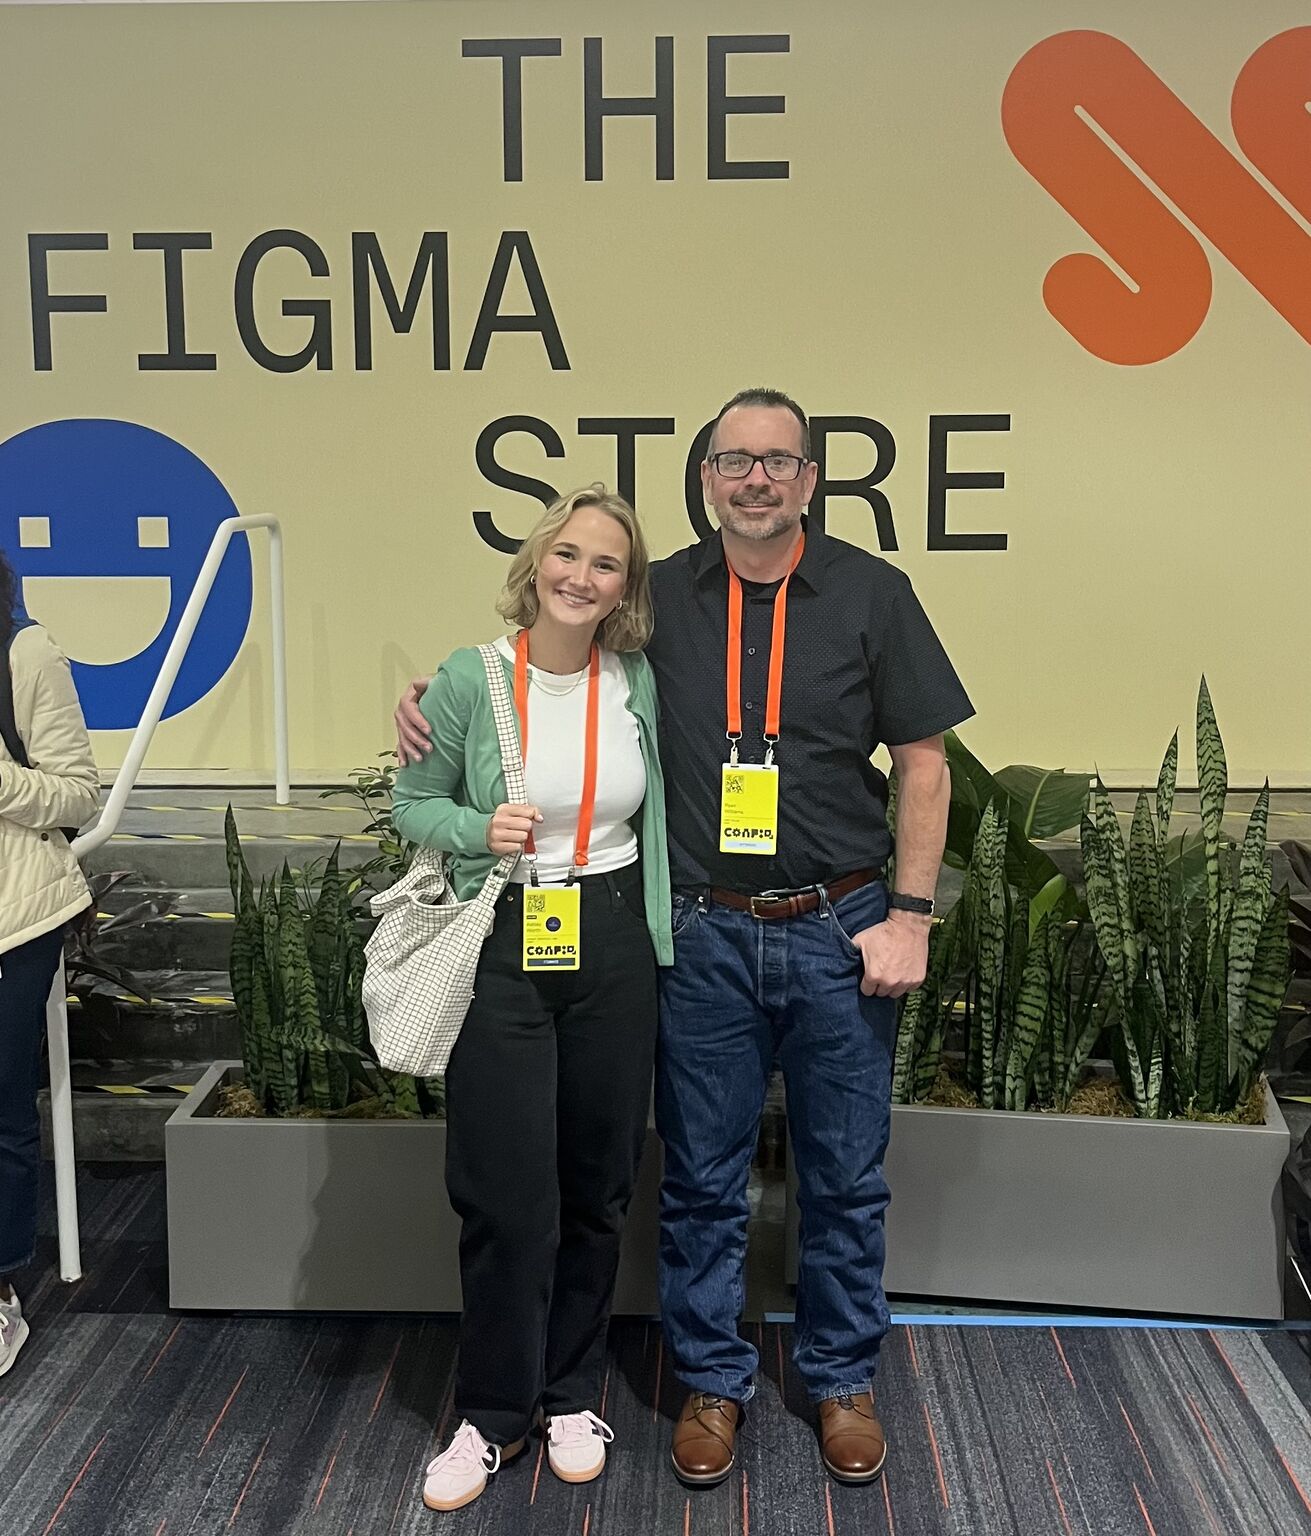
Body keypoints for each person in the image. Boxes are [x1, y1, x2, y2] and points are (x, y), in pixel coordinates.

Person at [395, 391, 972, 1488]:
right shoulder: (658, 598)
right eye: (733, 462)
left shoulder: (872, 593)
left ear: (810, 479)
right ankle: (714, 1381)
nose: (756, 480)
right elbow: (544, 654)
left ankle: (841, 1378)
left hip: (843, 926)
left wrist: (909, 915)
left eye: (778, 462)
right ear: (706, 479)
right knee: (700, 1177)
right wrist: (431, 698)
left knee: (845, 1175)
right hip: (704, 934)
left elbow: (926, 765)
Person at [391, 484, 672, 1512]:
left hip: (611, 937)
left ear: (624, 588)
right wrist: (477, 832)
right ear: (536, 561)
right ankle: (492, 1412)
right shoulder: (471, 679)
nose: (580, 576)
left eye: (605, 563)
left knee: (597, 1182)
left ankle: (567, 1394)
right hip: (503, 935)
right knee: (504, 1190)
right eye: (567, 554)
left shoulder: (637, 679)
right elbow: (412, 803)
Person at [0, 547, 100, 1378]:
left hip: (12, 916)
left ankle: (0, 1293)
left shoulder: (26, 653)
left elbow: (76, 793)